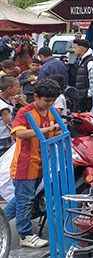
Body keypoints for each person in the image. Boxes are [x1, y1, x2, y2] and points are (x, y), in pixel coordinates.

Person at [4, 79, 62, 248]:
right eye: (46, 100)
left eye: (52, 100)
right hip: (25, 165)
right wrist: (46, 130)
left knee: (22, 199)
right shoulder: (25, 112)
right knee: (25, 201)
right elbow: (19, 134)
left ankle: (2, 221)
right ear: (36, 96)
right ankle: (25, 235)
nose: (49, 104)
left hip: (41, 164)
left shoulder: (50, 111)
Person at [71, 38, 93, 112]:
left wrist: (87, 94)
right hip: (81, 97)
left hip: (87, 100)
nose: (73, 50)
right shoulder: (81, 60)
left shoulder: (91, 62)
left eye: (75, 48)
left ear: (81, 48)